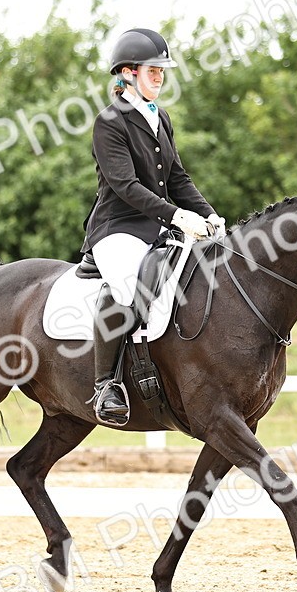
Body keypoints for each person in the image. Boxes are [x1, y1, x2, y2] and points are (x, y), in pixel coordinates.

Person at [81, 27, 224, 426]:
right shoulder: (109, 122)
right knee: (128, 287)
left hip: (157, 226)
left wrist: (208, 214)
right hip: (117, 228)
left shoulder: (160, 116)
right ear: (127, 73)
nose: (159, 78)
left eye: (163, 71)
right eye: (152, 70)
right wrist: (178, 217)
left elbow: (177, 179)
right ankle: (105, 385)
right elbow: (125, 186)